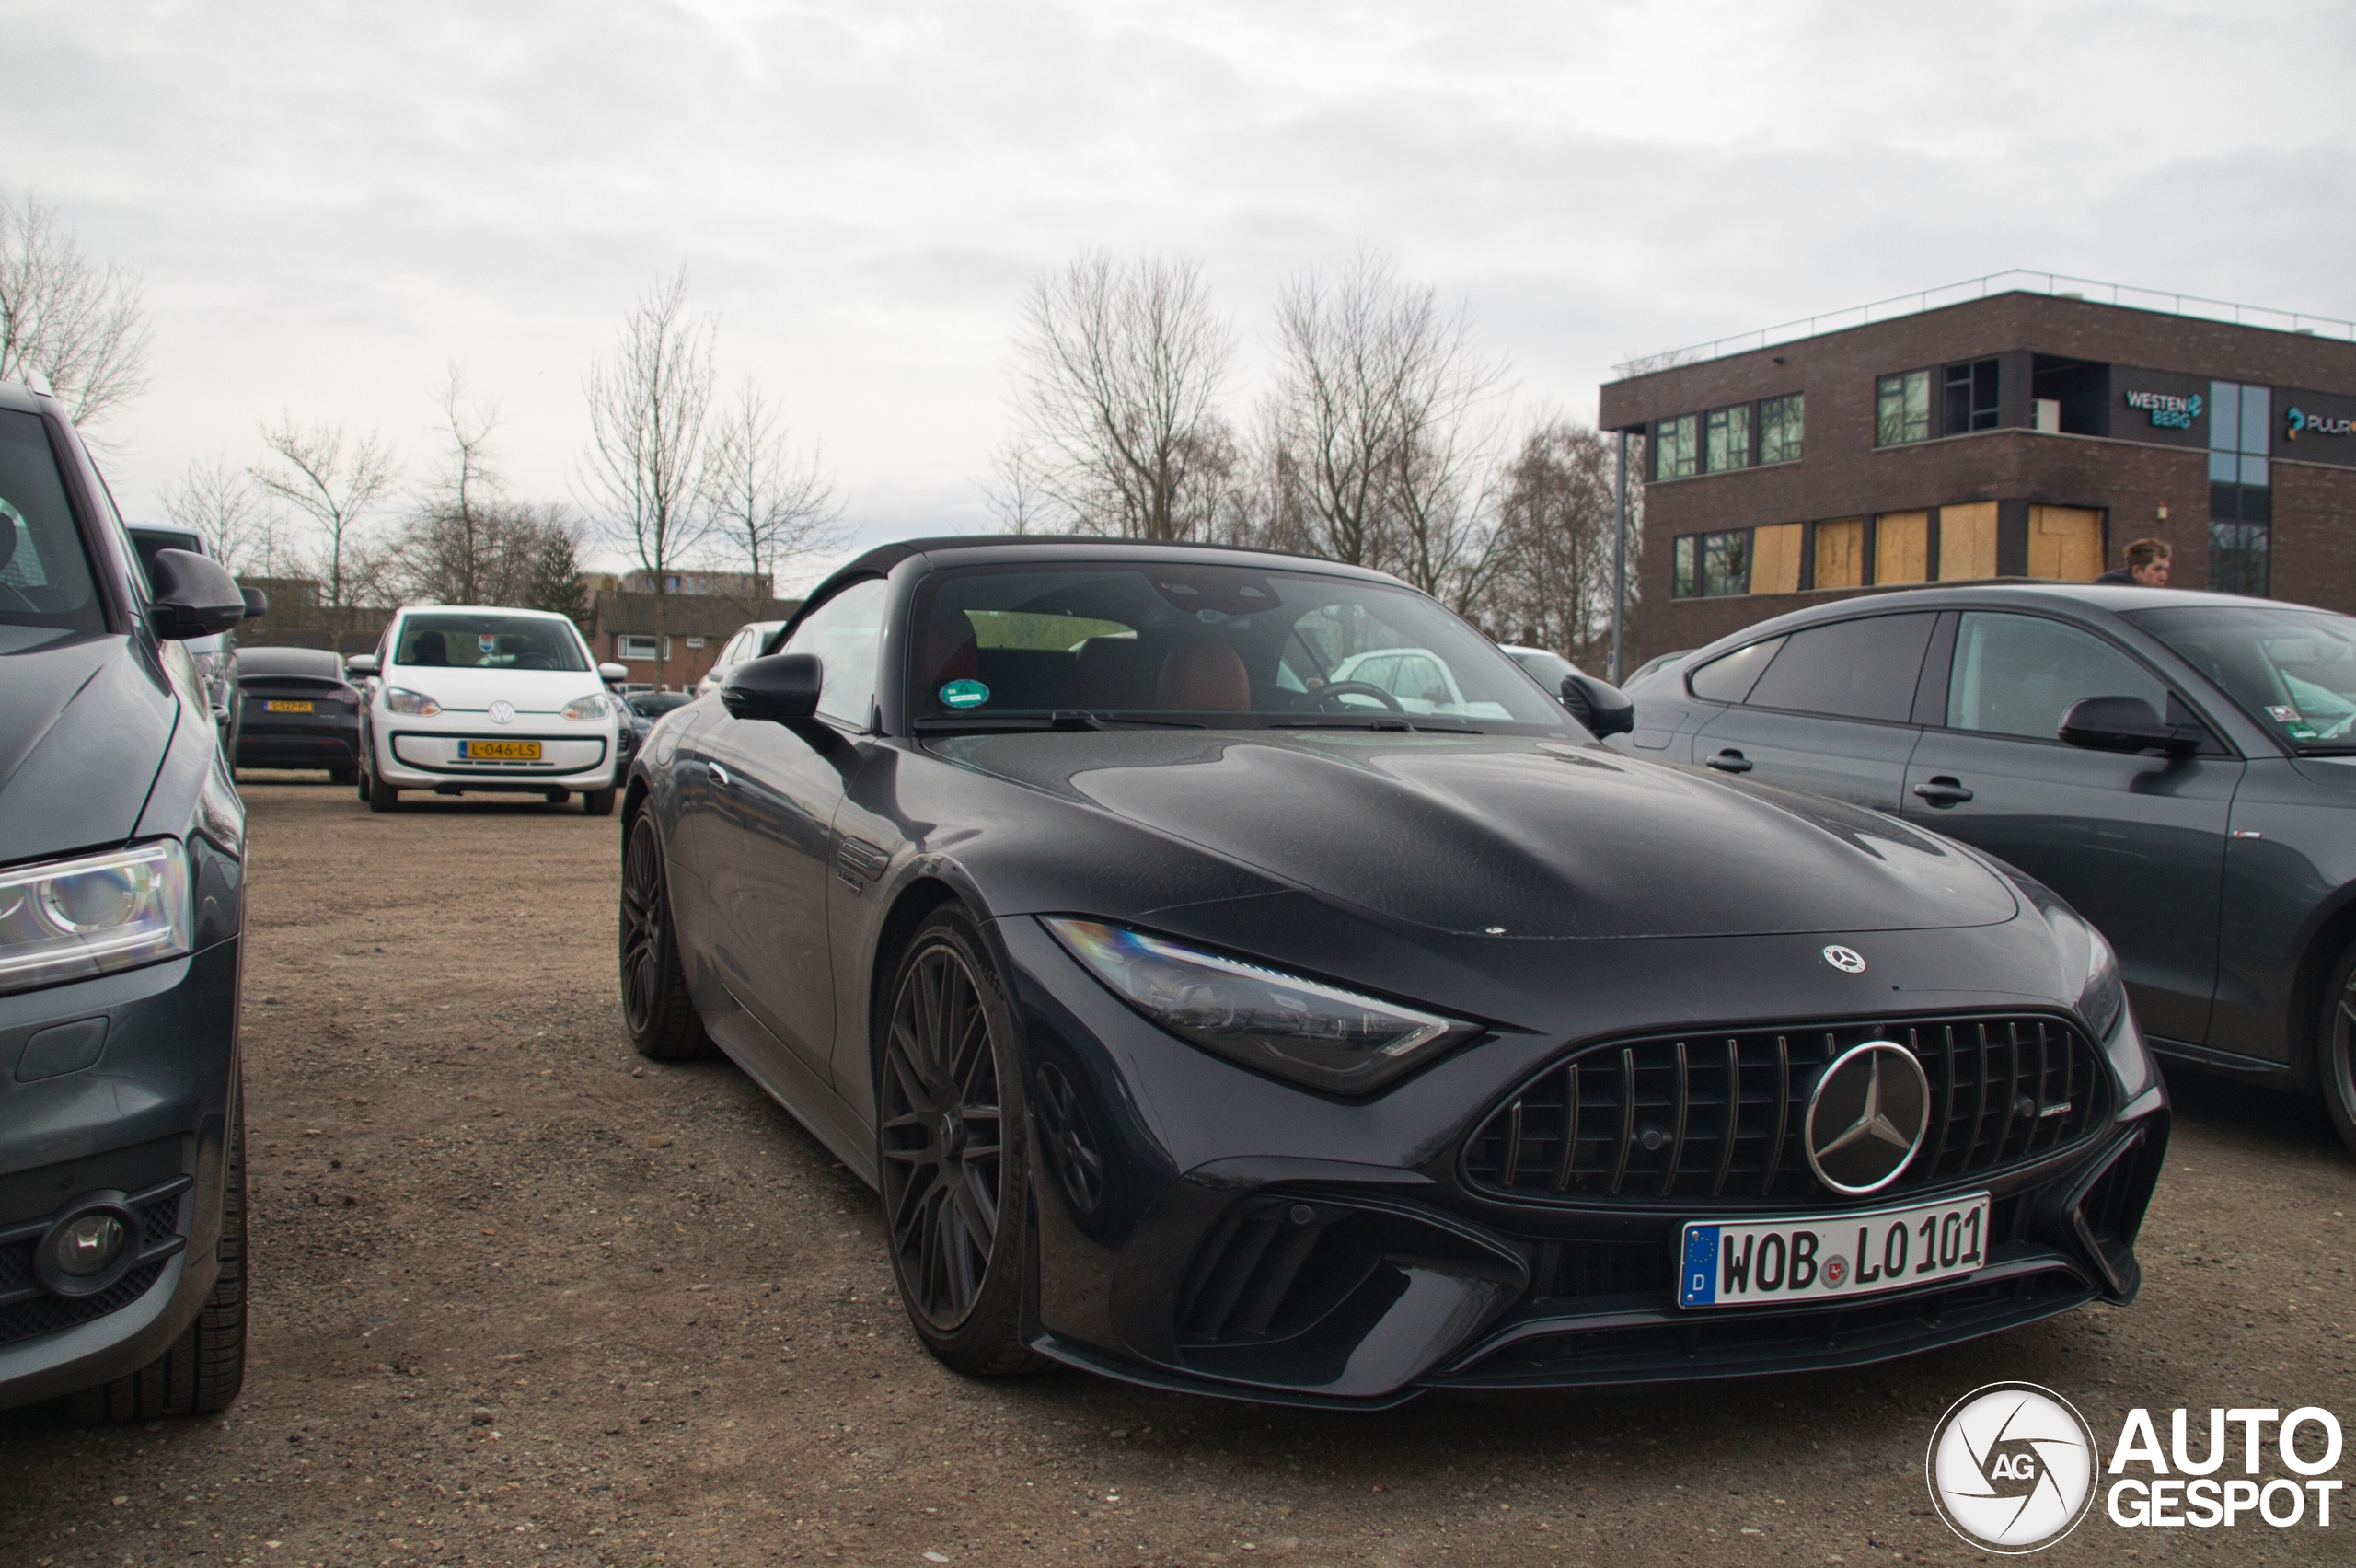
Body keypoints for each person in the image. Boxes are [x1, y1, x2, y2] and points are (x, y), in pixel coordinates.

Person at [2095, 537, 2171, 587]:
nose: (2164, 576)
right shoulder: (2113, 584)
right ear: (2137, 570)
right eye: (2157, 569)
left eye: (2166, 570)